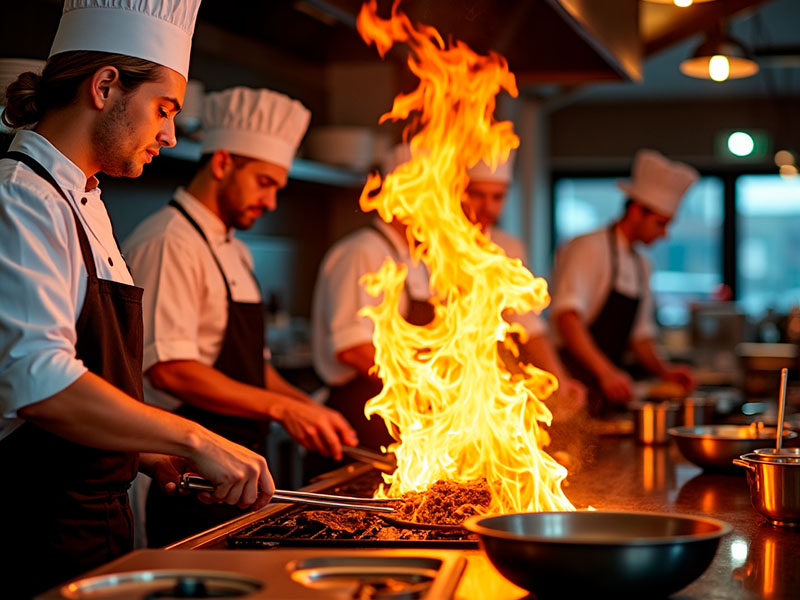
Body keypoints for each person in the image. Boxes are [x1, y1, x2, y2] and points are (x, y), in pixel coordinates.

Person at [0, 1, 275, 596]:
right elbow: (37, 381)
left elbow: (95, 369)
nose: (170, 135)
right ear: (105, 87)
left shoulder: (85, 199)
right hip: (31, 534)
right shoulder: (20, 199)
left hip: (94, 527)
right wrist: (193, 437)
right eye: (164, 109)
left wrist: (147, 451)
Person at [123, 86, 358, 547]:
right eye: (264, 182)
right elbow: (170, 370)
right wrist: (282, 409)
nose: (271, 202)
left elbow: (251, 368)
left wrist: (308, 408)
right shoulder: (169, 242)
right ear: (222, 162)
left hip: (237, 471)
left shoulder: (235, 250)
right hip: (188, 473)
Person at [550, 149, 698, 415]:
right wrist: (606, 371)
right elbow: (568, 317)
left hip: (610, 390)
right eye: (660, 224)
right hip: (571, 383)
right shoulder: (588, 247)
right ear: (636, 211)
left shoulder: (642, 265)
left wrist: (665, 371)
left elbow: (641, 336)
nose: (664, 234)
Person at [311, 145, 434, 452]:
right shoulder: (363, 252)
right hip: (359, 421)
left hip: (403, 418)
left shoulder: (416, 260)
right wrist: (430, 386)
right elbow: (353, 349)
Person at [463, 153, 586, 419]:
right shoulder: (432, 245)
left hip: (491, 385)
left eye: (497, 197)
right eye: (477, 195)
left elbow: (527, 323)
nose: (487, 207)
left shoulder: (509, 247)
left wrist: (559, 380)